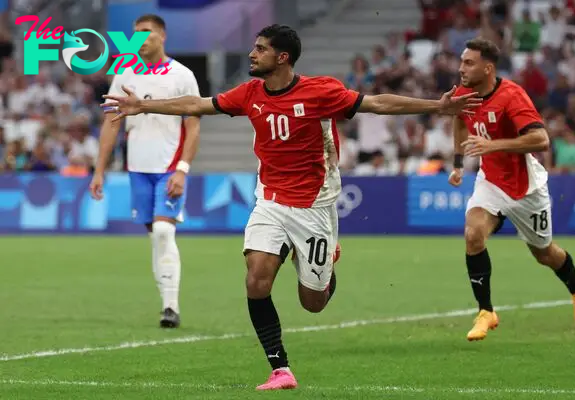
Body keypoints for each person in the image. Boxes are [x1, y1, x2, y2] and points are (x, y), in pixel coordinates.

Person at [101, 24, 481, 390]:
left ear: (282, 57)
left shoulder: (321, 92)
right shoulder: (250, 92)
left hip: (314, 204)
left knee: (312, 302)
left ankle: (326, 265)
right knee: (256, 276)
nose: (252, 53)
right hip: (269, 198)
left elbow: (378, 103)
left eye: (260, 48)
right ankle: (280, 367)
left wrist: (438, 106)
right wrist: (143, 105)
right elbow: (198, 104)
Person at [449, 38, 575, 342]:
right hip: (490, 182)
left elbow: (541, 140)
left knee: (544, 254)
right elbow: (459, 121)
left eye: (468, 63)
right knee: (473, 234)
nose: (461, 68)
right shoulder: (463, 94)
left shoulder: (512, 96)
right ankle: (486, 311)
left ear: (487, 68)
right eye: (461, 61)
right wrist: (458, 163)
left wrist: (493, 145)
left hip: (526, 187)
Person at [89, 14, 201, 329]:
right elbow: (111, 124)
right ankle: (167, 304)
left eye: (146, 32)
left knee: (165, 232)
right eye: (135, 33)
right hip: (138, 168)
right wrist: (99, 170)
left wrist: (182, 169)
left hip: (169, 166)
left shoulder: (182, 75)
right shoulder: (125, 74)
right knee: (156, 237)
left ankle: (171, 307)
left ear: (162, 35)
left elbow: (193, 127)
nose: (140, 38)